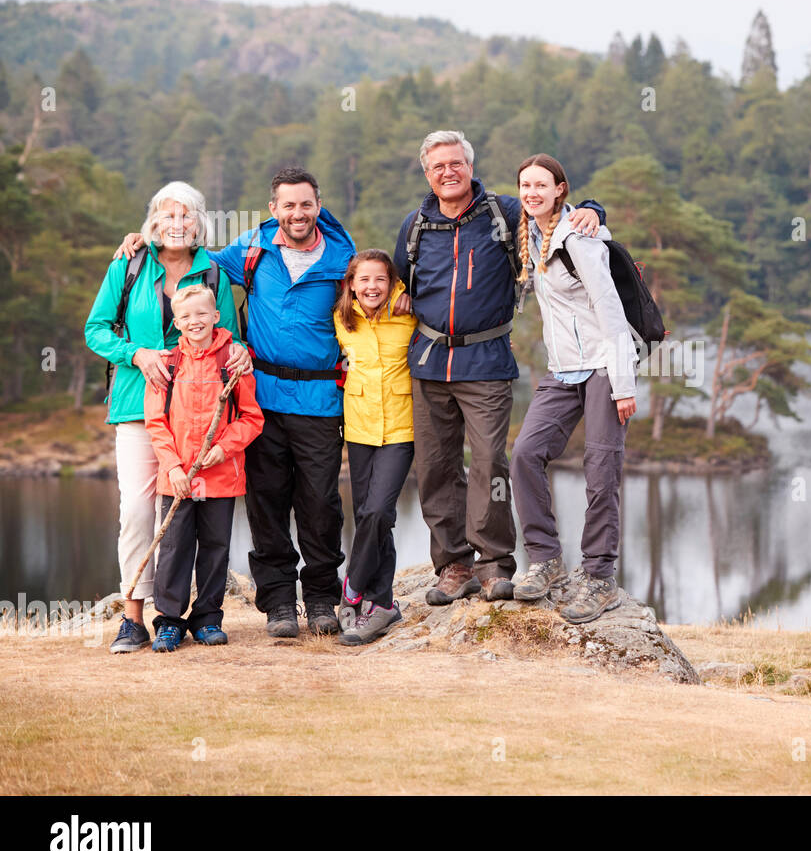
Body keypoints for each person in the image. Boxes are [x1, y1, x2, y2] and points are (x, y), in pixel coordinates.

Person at [114, 167, 356, 638]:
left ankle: (323, 598)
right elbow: (190, 255)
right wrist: (143, 239)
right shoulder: (249, 250)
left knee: (321, 505)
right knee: (266, 506)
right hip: (262, 393)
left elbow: (373, 286)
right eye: (288, 205)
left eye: (306, 204)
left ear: (319, 206)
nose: (298, 213)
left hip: (320, 398)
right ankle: (280, 604)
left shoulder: (342, 254)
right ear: (274, 210)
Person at [394, 131, 606, 606]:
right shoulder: (415, 226)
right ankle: (453, 566)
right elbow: (399, 284)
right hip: (429, 363)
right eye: (437, 167)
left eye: (455, 163)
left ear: (469, 166)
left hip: (486, 360)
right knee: (434, 467)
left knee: (489, 462)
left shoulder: (503, 213)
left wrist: (594, 207)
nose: (447, 172)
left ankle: (493, 564)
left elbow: (551, 211)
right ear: (427, 174)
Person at [86, 181, 248, 654]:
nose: (177, 224)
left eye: (187, 216)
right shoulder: (129, 263)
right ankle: (134, 618)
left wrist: (239, 355)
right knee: (138, 512)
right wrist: (136, 354)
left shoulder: (213, 270)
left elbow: (229, 337)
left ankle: (190, 615)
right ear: (152, 224)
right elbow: (96, 329)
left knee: (200, 518)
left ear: (200, 224)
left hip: (200, 416)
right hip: (140, 406)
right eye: (167, 216)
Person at [508, 155, 638, 623]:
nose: (532, 192)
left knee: (601, 470)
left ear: (560, 190)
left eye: (541, 185)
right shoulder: (530, 235)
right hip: (563, 370)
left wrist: (623, 385)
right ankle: (545, 560)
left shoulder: (580, 240)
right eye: (525, 185)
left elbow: (611, 313)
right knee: (524, 454)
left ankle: (599, 577)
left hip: (605, 367)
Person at [143, 285, 264, 650]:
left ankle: (208, 618)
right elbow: (156, 423)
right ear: (176, 322)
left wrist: (225, 449)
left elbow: (252, 418)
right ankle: (169, 621)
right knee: (175, 547)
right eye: (186, 316)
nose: (194, 321)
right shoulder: (167, 365)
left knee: (215, 548)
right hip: (176, 478)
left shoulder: (233, 362)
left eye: (201, 314)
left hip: (221, 477)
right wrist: (174, 468)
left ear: (215, 316)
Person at [332, 250, 416, 646]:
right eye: (363, 280)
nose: (371, 287)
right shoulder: (341, 320)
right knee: (368, 515)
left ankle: (352, 586)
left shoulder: (410, 313)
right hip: (360, 428)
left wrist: (410, 296)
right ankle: (381, 604)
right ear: (351, 283)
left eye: (380, 279)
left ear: (392, 282)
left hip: (402, 427)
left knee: (380, 511)